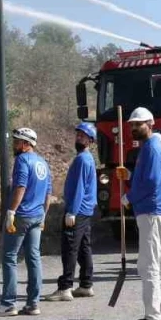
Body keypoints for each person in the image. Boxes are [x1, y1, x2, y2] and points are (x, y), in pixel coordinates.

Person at [0, 127, 50, 317]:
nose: (14, 145)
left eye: (17, 141)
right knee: (34, 258)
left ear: (26, 144)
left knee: (9, 257)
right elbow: (48, 193)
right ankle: (33, 303)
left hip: (21, 216)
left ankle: (8, 304)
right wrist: (44, 215)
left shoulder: (22, 160)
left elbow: (20, 188)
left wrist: (11, 212)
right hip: (37, 215)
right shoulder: (43, 162)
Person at [124, 107, 161, 320]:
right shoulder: (149, 147)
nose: (134, 128)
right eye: (133, 125)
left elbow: (151, 182)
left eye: (139, 124)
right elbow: (146, 178)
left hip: (152, 212)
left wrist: (129, 197)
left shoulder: (152, 148)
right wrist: (130, 177)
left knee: (148, 265)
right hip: (155, 211)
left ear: (151, 124)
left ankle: (153, 317)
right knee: (159, 264)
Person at [47, 123, 98, 302]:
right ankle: (86, 284)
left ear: (90, 140)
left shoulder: (83, 159)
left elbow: (79, 188)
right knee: (84, 247)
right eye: (78, 135)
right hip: (85, 210)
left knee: (70, 248)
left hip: (78, 210)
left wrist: (72, 212)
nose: (79, 138)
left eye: (83, 136)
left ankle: (65, 288)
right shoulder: (87, 158)